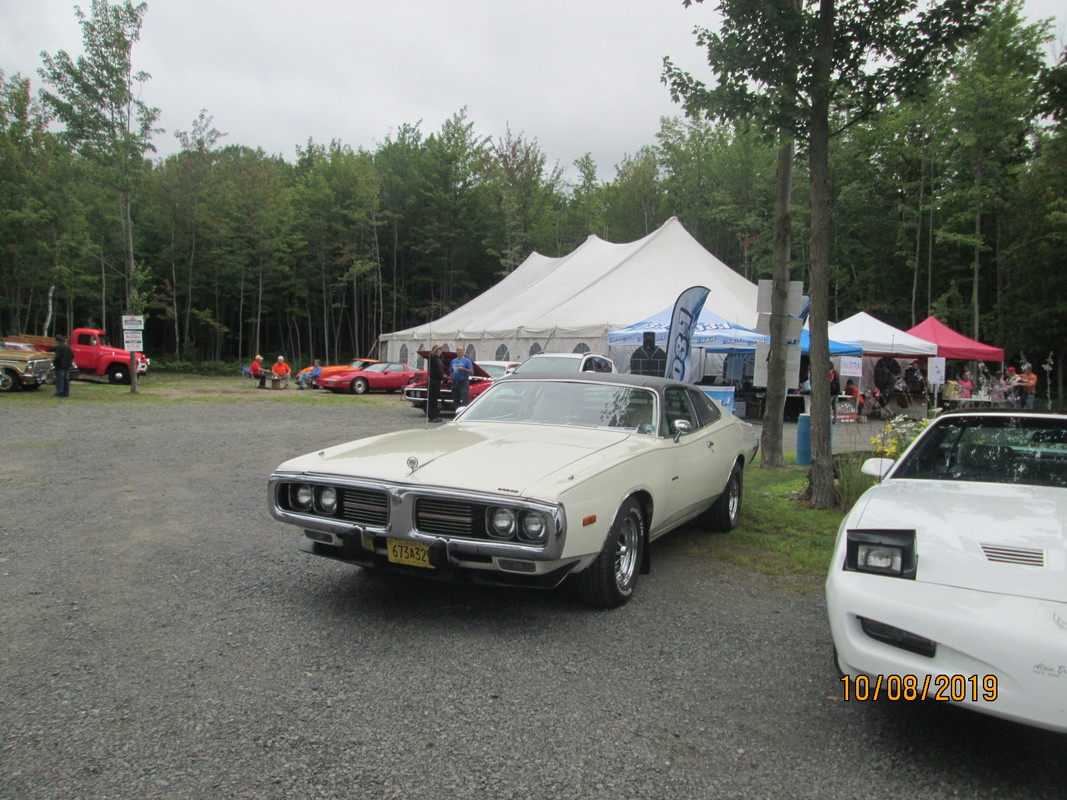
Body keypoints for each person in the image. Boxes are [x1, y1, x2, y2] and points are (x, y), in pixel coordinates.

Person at [426, 345, 444, 422]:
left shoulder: (438, 359)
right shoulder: (432, 358)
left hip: (437, 381)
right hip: (433, 381)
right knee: (432, 399)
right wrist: (438, 347)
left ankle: (435, 415)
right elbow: (432, 353)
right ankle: (431, 416)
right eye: (439, 350)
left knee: (435, 399)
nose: (440, 352)